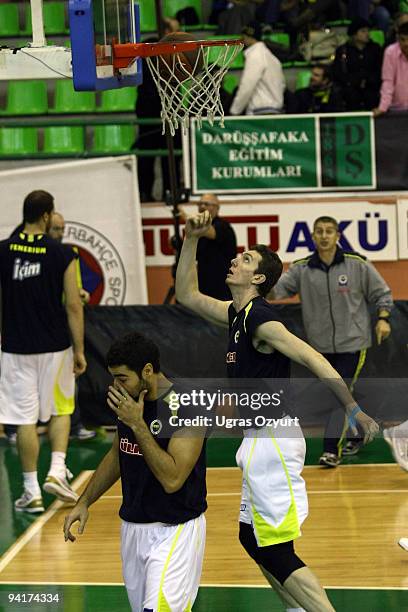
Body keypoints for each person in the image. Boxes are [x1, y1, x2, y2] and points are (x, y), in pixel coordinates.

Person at [175, 210, 379, 612]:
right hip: (256, 442)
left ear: (259, 279)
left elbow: (313, 357)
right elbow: (186, 295)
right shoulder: (237, 314)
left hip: (273, 442)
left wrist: (353, 408)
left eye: (246, 259)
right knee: (251, 539)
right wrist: (191, 239)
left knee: (277, 551)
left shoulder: (263, 321)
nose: (236, 259)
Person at [63, 332, 207, 612]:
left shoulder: (190, 406)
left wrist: (138, 424)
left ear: (148, 371)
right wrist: (84, 501)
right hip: (132, 529)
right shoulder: (130, 403)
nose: (115, 385)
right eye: (113, 377)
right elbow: (120, 452)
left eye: (122, 378)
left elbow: (173, 479)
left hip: (174, 531)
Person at [272, 216, 393, 467]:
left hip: (353, 344)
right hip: (320, 348)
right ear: (313, 237)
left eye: (329, 231)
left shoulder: (357, 264)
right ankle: (359, 432)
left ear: (338, 235)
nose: (324, 235)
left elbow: (382, 293)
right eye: (319, 231)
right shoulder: (301, 268)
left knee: (338, 394)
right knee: (341, 393)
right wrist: (260, 279)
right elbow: (277, 291)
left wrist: (383, 318)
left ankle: (330, 450)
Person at [0, 190, 86, 513]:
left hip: (15, 347)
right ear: (47, 216)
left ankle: (31, 490)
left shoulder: (3, 252)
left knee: (23, 420)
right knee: (61, 409)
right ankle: (56, 470)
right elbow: (74, 305)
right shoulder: (63, 254)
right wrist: (79, 350)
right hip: (56, 347)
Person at [48, 211, 96, 441]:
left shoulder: (69, 255)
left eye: (62, 229)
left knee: (67, 380)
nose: (60, 234)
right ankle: (14, 429)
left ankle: (74, 426)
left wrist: (80, 295)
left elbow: (74, 293)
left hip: (61, 328)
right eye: (56, 229)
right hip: (38, 329)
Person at [178, 194, 237, 300]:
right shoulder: (198, 234)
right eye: (200, 204)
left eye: (206, 204)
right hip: (203, 287)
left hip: (222, 288)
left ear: (216, 207)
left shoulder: (223, 226)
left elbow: (208, 231)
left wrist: (184, 215)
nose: (202, 207)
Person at [230, 21, 286, 115]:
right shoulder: (271, 57)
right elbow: (282, 84)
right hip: (275, 110)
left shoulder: (255, 55)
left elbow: (247, 85)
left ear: (246, 36)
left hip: (261, 112)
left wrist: (235, 111)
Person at [333, 18, 383, 111]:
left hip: (372, 89)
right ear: (354, 34)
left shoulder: (376, 49)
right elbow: (338, 72)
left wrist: (369, 80)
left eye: (368, 31)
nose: (367, 34)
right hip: (350, 91)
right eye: (363, 31)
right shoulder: (343, 50)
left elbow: (380, 70)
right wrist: (354, 81)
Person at [373, 22, 408, 116]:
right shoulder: (390, 52)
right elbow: (388, 82)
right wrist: (382, 107)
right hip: (396, 110)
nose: (406, 43)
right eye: (402, 40)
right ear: (397, 38)